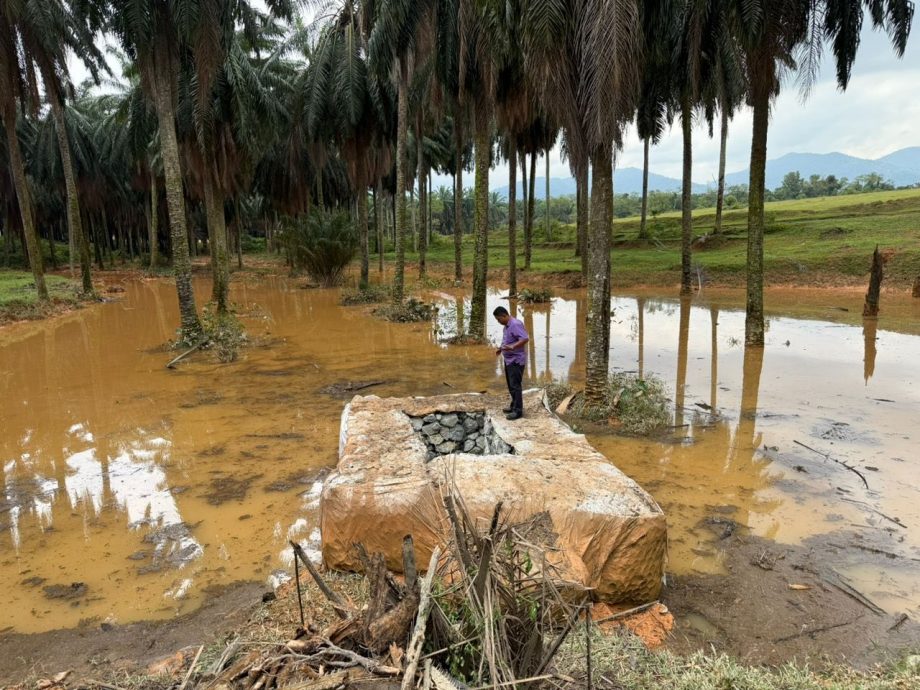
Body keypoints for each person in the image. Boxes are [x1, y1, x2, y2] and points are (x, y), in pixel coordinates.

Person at [493, 306, 529, 420]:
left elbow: (525, 338)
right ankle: (513, 406)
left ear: (504, 315)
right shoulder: (507, 326)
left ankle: (518, 411)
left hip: (516, 360)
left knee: (515, 386)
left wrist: (512, 347)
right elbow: (507, 340)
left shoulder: (515, 324)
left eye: (499, 319)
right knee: (511, 385)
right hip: (509, 360)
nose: (498, 322)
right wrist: (501, 348)